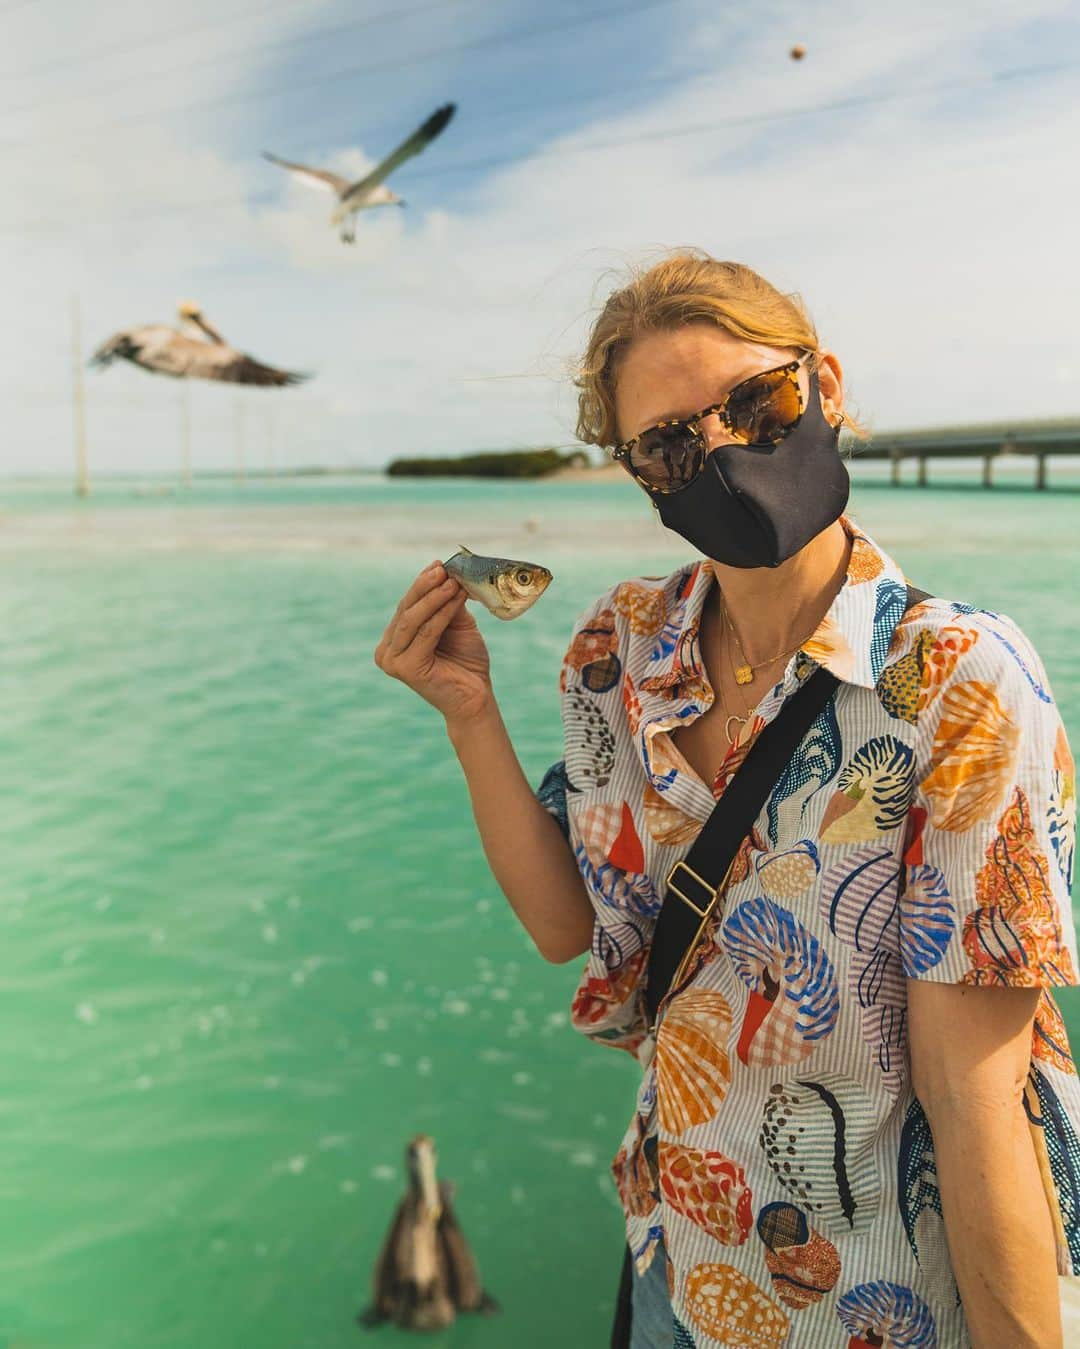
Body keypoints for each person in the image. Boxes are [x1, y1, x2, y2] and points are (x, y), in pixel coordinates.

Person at [373, 251, 1080, 1348]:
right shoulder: (622, 646)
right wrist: (471, 715)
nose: (723, 450)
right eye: (667, 440)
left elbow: (975, 1091)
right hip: (673, 1254)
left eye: (759, 403)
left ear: (825, 387)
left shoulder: (959, 681)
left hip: (875, 1310)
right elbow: (569, 926)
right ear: (639, 471)